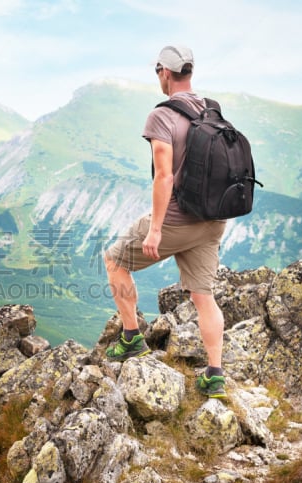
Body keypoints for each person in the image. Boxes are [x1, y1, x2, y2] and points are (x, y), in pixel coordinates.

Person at [103, 45, 227, 399]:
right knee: (204, 296)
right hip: (214, 219)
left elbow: (164, 176)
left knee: (114, 260)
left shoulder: (162, 116)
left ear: (165, 72)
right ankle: (214, 375)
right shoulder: (211, 109)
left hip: (178, 219)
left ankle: (131, 338)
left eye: (157, 70)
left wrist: (156, 229)